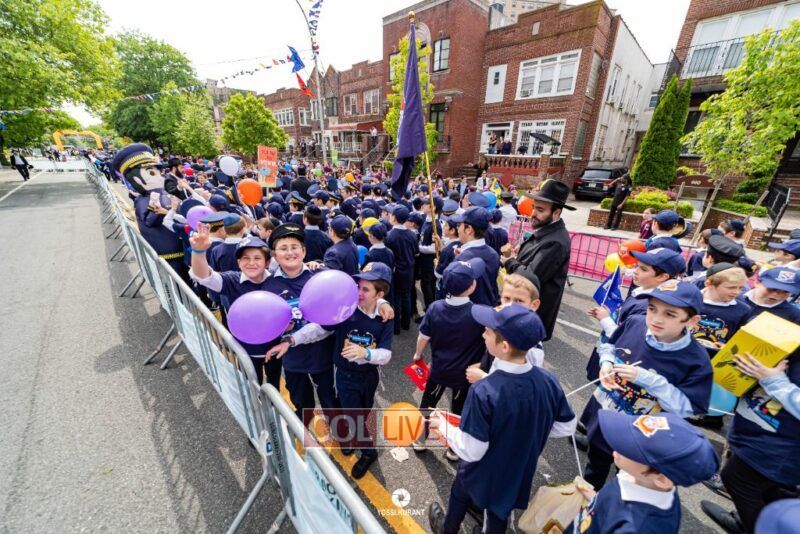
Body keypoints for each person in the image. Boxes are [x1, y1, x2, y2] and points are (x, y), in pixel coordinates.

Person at [427, 304, 576, 534]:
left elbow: (472, 449)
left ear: (504, 346)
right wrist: (530, 429)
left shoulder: (484, 390)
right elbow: (567, 426)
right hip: (519, 467)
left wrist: (443, 426)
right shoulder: (549, 380)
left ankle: (448, 529)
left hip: (484, 469)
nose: (482, 335)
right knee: (498, 511)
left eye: (487, 332)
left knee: (465, 495)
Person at [582, 280, 713, 490]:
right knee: (595, 462)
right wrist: (606, 363)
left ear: (692, 320)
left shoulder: (696, 359)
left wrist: (649, 380)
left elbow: (687, 408)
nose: (656, 319)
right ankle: (589, 497)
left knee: (630, 477)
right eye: (652, 309)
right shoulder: (635, 322)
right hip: (606, 413)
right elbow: (609, 345)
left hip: (642, 433)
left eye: (670, 314)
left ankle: (618, 502)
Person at [290, 262, 395, 479]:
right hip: (345, 376)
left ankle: (355, 436)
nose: (358, 292)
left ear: (380, 294)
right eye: (358, 286)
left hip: (370, 377)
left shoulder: (384, 318)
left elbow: (386, 355)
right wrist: (292, 339)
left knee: (363, 412)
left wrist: (366, 353)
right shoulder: (346, 310)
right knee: (353, 415)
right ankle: (368, 452)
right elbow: (319, 328)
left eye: (365, 289)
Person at [569, 411, 720, 534]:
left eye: (632, 449)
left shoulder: (638, 527)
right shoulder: (638, 477)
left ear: (662, 479)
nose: (617, 444)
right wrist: (596, 500)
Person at [411, 258, 488, 461]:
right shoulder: (478, 313)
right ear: (472, 286)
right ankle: (454, 448)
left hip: (439, 369)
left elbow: (423, 337)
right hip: (465, 374)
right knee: (459, 410)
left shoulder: (435, 308)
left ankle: (420, 439)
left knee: (428, 404)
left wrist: (418, 355)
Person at [502, 180, 573, 341]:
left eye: (540, 210)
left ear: (556, 213)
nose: (533, 213)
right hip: (523, 308)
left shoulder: (556, 242)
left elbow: (531, 277)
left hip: (531, 315)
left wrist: (510, 261)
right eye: (534, 207)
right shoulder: (547, 230)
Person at [451, 207, 500, 306]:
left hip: (470, 311)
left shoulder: (462, 260)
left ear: (468, 229)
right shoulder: (494, 254)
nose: (457, 229)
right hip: (489, 308)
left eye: (459, 225)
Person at [385, 205, 419, 334]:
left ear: (393, 217)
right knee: (406, 295)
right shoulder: (412, 234)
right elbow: (416, 252)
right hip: (409, 270)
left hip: (396, 271)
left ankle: (396, 327)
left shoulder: (390, 235)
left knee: (396, 298)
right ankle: (406, 323)